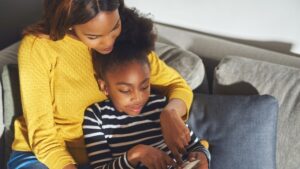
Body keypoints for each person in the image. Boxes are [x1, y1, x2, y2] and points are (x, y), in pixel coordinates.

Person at [7, 0, 195, 169]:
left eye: (114, 27)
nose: (108, 43)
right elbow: (43, 138)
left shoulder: (128, 38)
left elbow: (177, 85)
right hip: (44, 158)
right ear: (70, 25)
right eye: (94, 36)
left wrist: (170, 113)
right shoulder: (38, 48)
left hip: (110, 159)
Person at [83, 37, 210, 169]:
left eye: (144, 87)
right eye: (125, 90)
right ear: (104, 87)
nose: (138, 98)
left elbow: (195, 146)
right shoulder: (96, 117)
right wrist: (135, 155)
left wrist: (202, 156)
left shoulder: (160, 104)